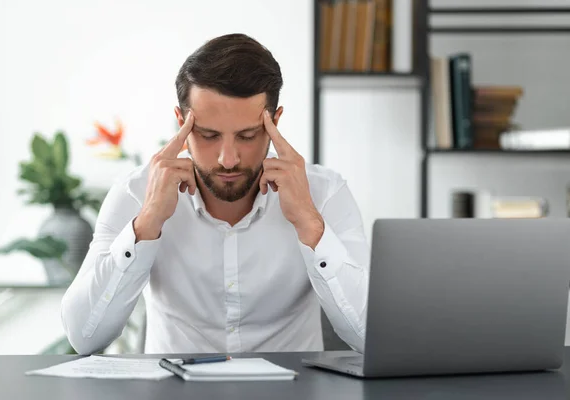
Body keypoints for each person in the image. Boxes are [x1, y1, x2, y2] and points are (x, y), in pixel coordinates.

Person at [61, 33, 370, 355]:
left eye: (247, 136)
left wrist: (310, 225)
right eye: (208, 135)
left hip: (293, 388)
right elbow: (84, 337)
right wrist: (146, 224)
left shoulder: (325, 193)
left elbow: (368, 338)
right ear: (181, 122)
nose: (228, 159)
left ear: (275, 122)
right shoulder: (137, 193)